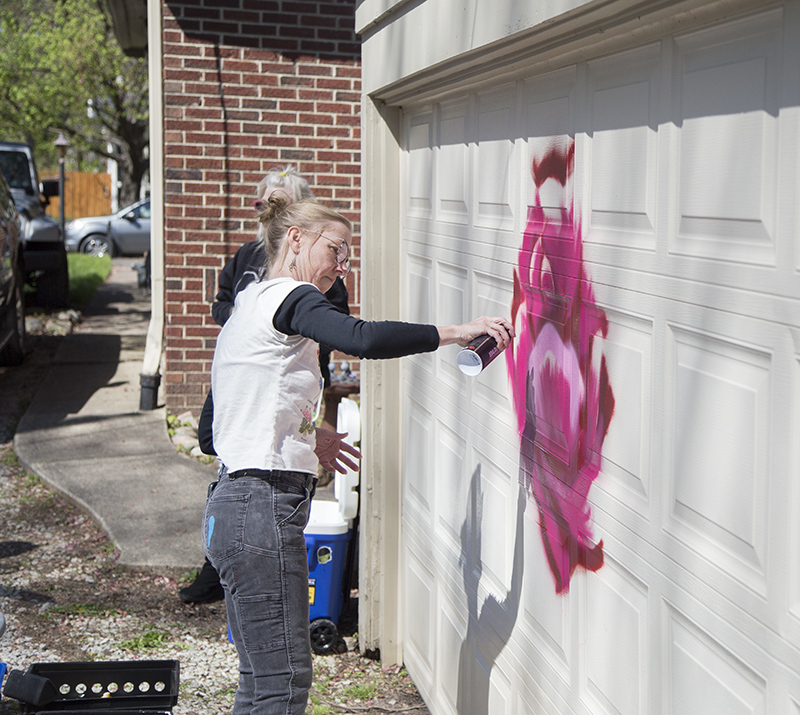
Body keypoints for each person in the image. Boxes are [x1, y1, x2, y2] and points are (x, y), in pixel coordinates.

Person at [203, 195, 514, 715]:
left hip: (233, 509)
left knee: (260, 679)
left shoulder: (251, 300)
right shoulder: (291, 295)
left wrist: (312, 430)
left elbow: (246, 399)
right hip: (258, 510)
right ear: (296, 239)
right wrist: (455, 333)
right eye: (336, 249)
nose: (341, 264)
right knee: (283, 681)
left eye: (348, 255)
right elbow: (359, 338)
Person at [179, 166, 349, 605]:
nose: (265, 211)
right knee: (217, 445)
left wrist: (306, 424)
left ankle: (230, 562)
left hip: (285, 393)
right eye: (262, 203)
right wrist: (242, 327)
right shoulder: (249, 268)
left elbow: (344, 332)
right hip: (243, 383)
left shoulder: (318, 280)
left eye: (276, 203)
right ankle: (228, 557)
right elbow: (222, 301)